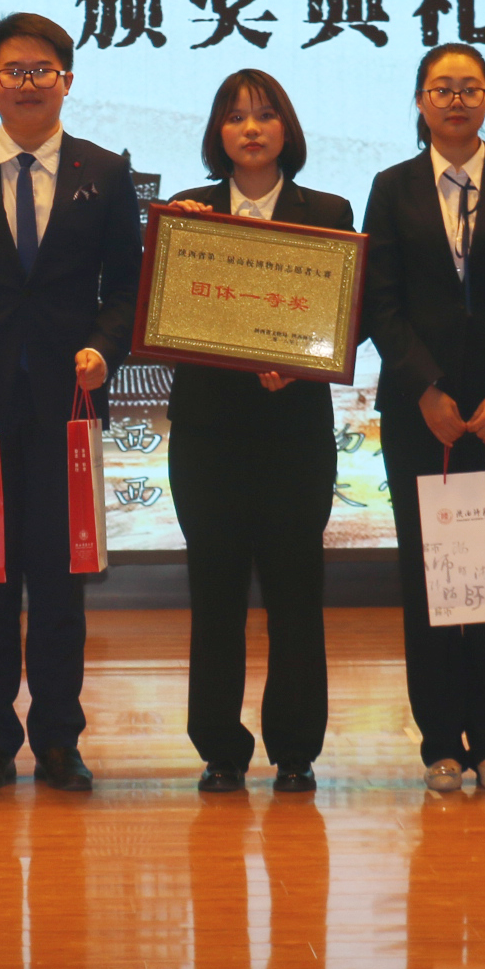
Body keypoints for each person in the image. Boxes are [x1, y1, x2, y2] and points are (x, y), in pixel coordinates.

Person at [0, 12, 143, 794]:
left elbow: (127, 288)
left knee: (61, 581)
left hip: (70, 408)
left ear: (66, 80)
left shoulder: (105, 171)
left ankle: (60, 738)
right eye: (14, 70)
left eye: (43, 70)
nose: (29, 83)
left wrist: (103, 349)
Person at [361, 42, 485, 796]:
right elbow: (380, 301)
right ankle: (441, 743)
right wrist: (426, 389)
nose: (455, 101)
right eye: (441, 88)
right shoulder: (392, 187)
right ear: (420, 100)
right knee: (430, 575)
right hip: (422, 416)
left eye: (469, 88)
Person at [163, 69, 354, 796]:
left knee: (295, 593)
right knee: (215, 594)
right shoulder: (189, 212)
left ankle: (296, 749)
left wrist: (299, 364)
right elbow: (167, 312)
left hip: (293, 433)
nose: (251, 128)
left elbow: (349, 311)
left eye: (266, 115)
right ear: (218, 131)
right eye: (236, 116)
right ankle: (220, 748)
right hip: (208, 434)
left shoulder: (326, 211)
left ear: (287, 129)